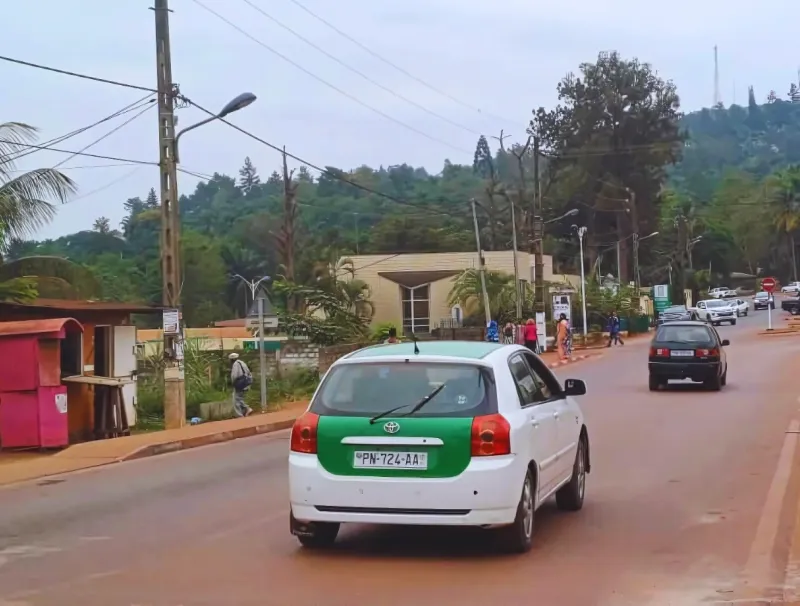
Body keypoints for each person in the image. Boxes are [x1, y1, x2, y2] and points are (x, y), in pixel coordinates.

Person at [229, 352, 254, 417]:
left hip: (240, 384)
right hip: (246, 383)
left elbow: (234, 376)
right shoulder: (242, 363)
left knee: (235, 400)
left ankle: (241, 414)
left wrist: (233, 383)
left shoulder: (235, 364)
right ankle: (245, 410)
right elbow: (248, 372)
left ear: (232, 359)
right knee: (239, 398)